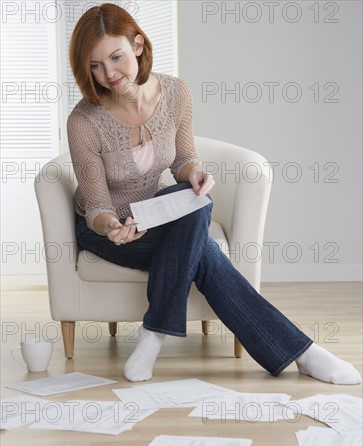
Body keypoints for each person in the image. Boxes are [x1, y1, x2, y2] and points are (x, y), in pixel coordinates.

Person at [67, 3, 361, 385]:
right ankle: (303, 351)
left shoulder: (175, 93)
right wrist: (110, 227)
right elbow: (97, 205)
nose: (109, 74)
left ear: (138, 44)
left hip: (155, 213)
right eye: (95, 65)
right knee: (204, 250)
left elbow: (184, 159)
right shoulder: (84, 121)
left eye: (116, 57)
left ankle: (155, 331)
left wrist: (196, 174)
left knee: (196, 200)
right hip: (107, 229)